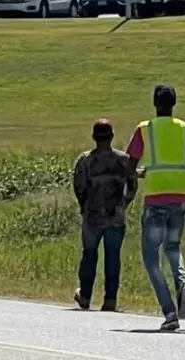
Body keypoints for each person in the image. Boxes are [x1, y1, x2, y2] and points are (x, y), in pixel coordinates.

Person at [126, 84, 185, 331]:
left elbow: (130, 167)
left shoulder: (145, 129)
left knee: (152, 258)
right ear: (174, 104)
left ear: (155, 103)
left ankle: (170, 311)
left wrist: (144, 174)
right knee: (173, 248)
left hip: (156, 198)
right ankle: (182, 284)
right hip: (182, 197)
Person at [72, 119, 138, 311]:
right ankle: (110, 299)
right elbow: (133, 185)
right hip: (116, 217)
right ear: (111, 137)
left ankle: (85, 295)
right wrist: (124, 203)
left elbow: (79, 187)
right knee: (113, 257)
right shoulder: (123, 160)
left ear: (94, 137)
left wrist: (84, 205)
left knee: (89, 255)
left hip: (92, 217)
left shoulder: (85, 160)